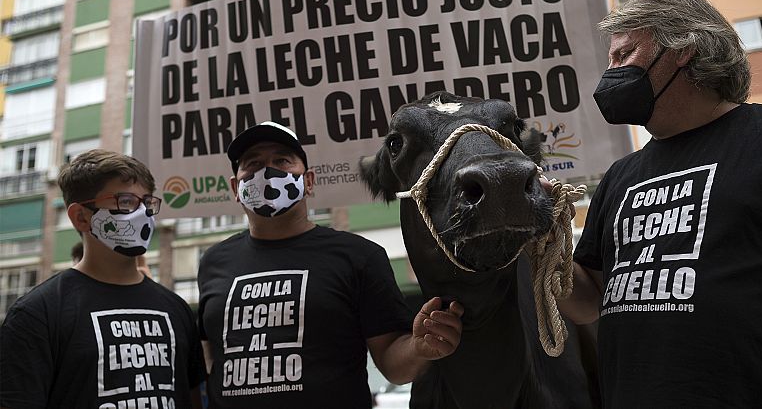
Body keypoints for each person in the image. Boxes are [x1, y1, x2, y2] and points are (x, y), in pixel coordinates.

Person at [559, 0, 762, 408]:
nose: (610, 72)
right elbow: (587, 301)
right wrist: (540, 243)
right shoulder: (620, 176)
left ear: (683, 47)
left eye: (624, 54)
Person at [197, 121, 464, 408]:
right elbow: (210, 358)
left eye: (282, 160)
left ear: (309, 181)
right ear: (237, 188)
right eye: (253, 163)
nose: (267, 171)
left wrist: (420, 348)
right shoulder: (213, 262)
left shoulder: (358, 256)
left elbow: (392, 362)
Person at [0, 149, 207, 409]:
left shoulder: (176, 309)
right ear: (82, 217)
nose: (142, 213)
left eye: (146, 202)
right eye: (126, 201)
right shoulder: (37, 314)